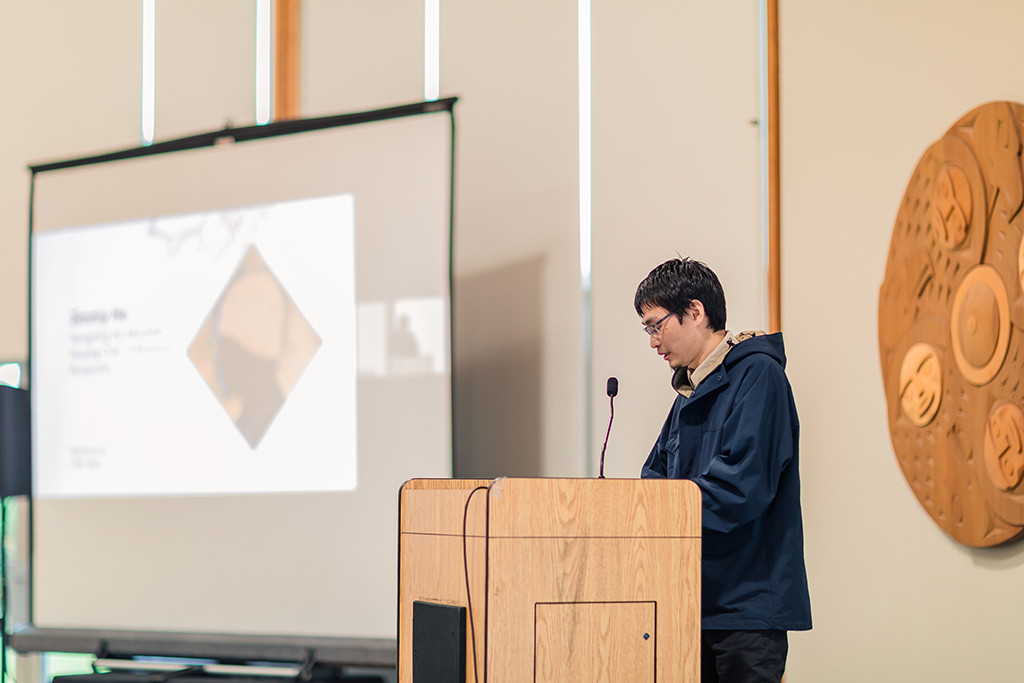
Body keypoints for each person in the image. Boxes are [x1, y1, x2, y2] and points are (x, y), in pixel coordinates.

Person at [635, 258, 811, 683]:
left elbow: (740, 489)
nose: (654, 342)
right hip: (693, 600)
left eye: (657, 325)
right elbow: (654, 474)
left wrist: (667, 513)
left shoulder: (758, 376)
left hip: (746, 608)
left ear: (695, 311)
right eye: (648, 331)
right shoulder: (688, 391)